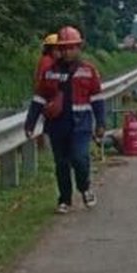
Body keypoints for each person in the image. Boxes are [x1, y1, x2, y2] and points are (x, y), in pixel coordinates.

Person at [24, 27, 105, 214]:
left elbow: (97, 99)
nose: (68, 52)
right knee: (61, 164)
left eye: (72, 48)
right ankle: (65, 200)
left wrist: (100, 123)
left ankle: (84, 188)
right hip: (57, 125)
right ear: (59, 49)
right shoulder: (49, 72)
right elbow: (39, 98)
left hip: (81, 125)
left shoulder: (89, 71)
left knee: (79, 158)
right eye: (64, 48)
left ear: (79, 48)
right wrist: (30, 123)